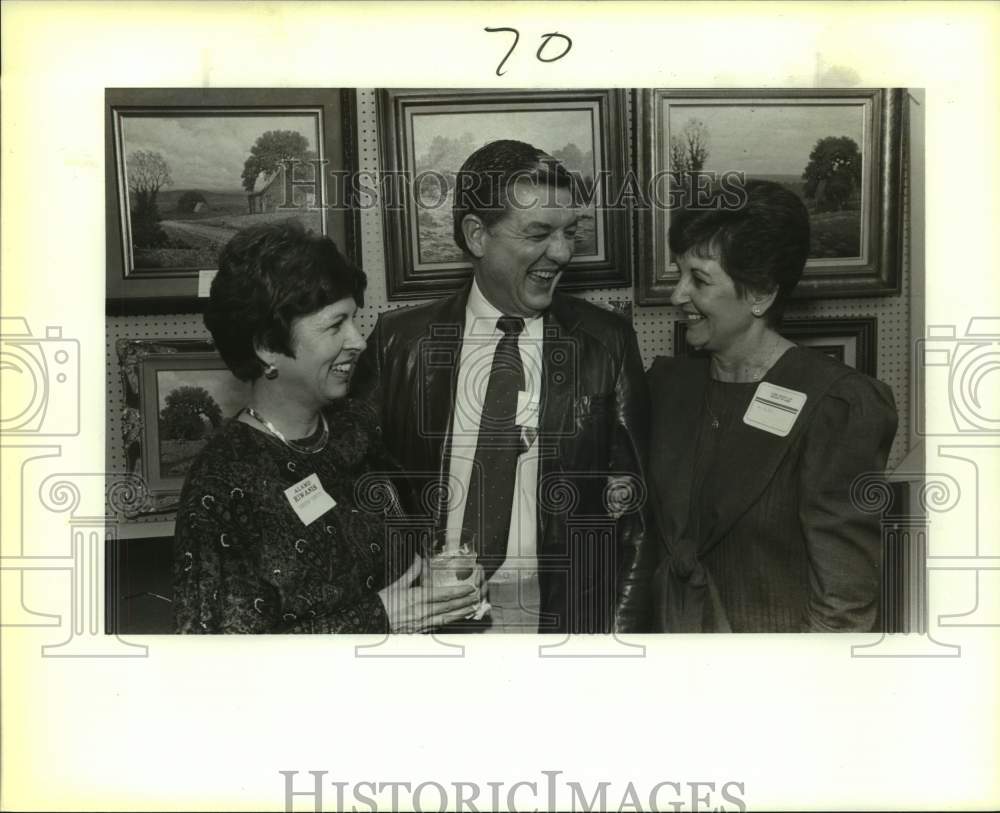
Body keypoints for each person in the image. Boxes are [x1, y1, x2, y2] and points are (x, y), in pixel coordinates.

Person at [352, 139, 652, 634]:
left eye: (569, 233)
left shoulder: (607, 342)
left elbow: (635, 519)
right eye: (538, 233)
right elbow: (358, 490)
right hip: (423, 610)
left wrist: (621, 642)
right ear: (477, 235)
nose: (560, 253)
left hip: (556, 613)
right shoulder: (398, 342)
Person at [173, 220, 482, 634]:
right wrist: (378, 619)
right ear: (268, 346)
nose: (358, 340)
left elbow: (396, 553)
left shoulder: (355, 428)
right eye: (336, 325)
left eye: (354, 320)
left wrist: (441, 580)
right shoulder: (224, 483)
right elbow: (220, 665)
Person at [647, 180, 898, 633]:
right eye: (679, 273)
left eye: (699, 279)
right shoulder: (666, 387)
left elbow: (843, 607)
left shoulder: (836, 405)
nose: (676, 295)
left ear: (761, 292)